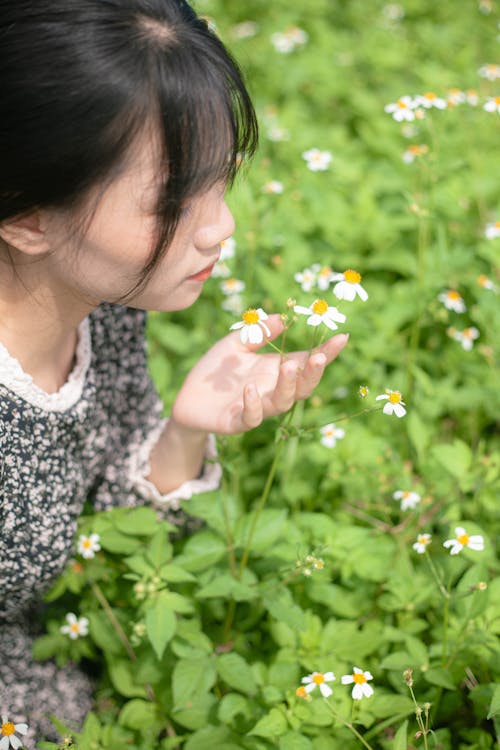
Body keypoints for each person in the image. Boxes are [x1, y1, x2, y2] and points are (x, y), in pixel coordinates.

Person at [0, 0, 348, 743]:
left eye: (222, 178)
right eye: (171, 201)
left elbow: (109, 540)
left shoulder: (103, 303)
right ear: (27, 216)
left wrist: (184, 433)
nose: (219, 226)